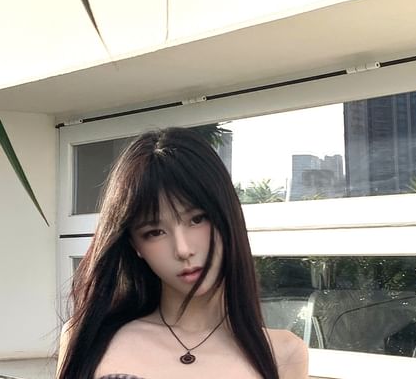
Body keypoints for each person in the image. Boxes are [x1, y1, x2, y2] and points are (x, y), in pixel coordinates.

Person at [57, 127, 308, 379]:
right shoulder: (87, 338)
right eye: (154, 232)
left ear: (226, 215)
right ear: (135, 246)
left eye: (197, 219)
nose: (183, 249)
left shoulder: (284, 354)